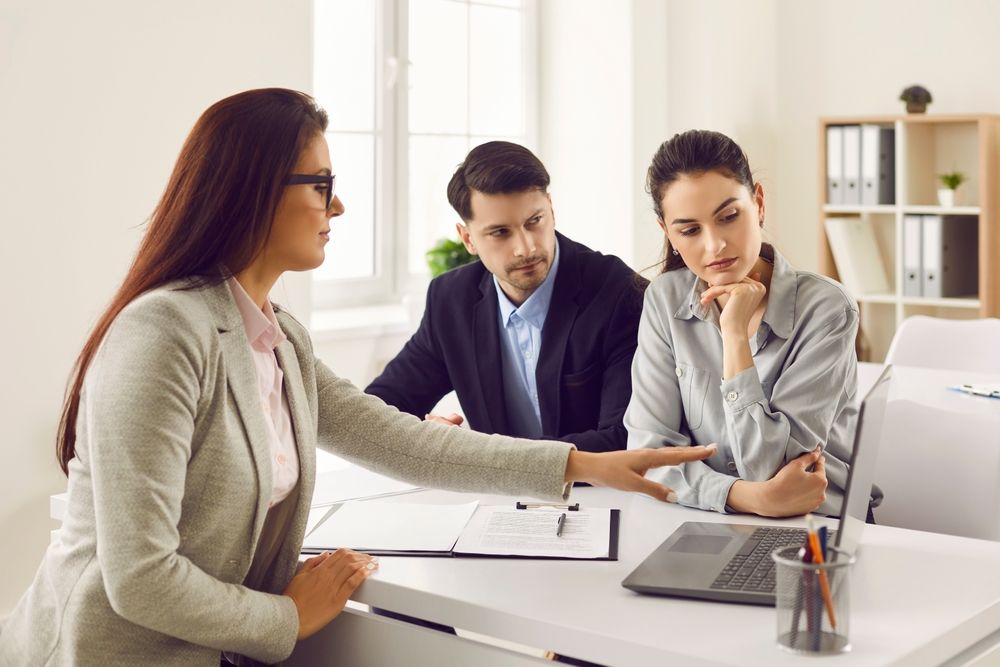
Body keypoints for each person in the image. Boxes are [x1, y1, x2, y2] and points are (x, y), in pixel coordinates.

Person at [0, 89, 714, 667]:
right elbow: (139, 576)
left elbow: (398, 438)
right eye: (322, 185)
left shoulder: (277, 336)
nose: (336, 206)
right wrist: (285, 615)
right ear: (253, 192)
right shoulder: (162, 334)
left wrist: (581, 463)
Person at [624, 129, 862, 519]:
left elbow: (770, 468)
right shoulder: (665, 299)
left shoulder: (826, 309)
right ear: (667, 232)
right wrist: (744, 497)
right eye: (689, 230)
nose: (715, 245)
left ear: (759, 203)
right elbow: (648, 455)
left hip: (816, 527)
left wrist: (734, 336)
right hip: (708, 519)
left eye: (729, 217)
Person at [366, 141, 646, 453]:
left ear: (551, 209)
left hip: (601, 496)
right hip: (496, 499)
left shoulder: (619, 292)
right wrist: (429, 434)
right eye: (500, 232)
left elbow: (623, 440)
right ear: (468, 239)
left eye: (534, 221)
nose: (526, 248)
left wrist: (476, 455)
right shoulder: (451, 300)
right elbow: (377, 411)